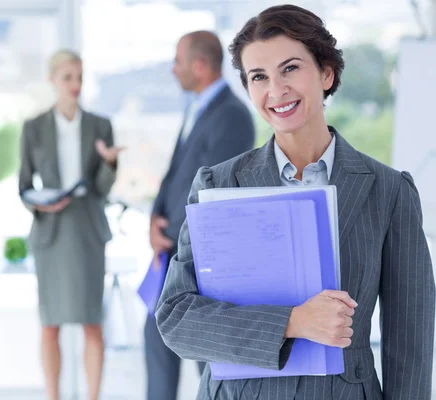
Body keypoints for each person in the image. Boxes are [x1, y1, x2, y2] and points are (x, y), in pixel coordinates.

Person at [155, 5, 435, 399]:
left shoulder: (388, 193)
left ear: (325, 72)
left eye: (290, 69)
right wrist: (293, 322)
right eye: (258, 77)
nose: (276, 90)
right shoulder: (219, 185)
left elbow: (410, 341)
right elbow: (176, 318)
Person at [146, 30, 255, 400]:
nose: (173, 70)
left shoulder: (233, 116)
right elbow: (177, 173)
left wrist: (172, 233)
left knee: (204, 355)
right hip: (172, 248)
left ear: (199, 65)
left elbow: (213, 192)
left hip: (200, 255)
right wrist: (154, 219)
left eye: (177, 62)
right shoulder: (197, 108)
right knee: (158, 340)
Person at [18, 49, 121, 400]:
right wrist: (40, 203)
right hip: (51, 231)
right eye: (68, 77)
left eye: (79, 76)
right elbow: (23, 186)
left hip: (87, 230)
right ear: (53, 80)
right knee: (50, 325)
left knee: (93, 323)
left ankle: (93, 396)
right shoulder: (33, 129)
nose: (75, 84)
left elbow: (103, 190)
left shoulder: (100, 125)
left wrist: (108, 164)